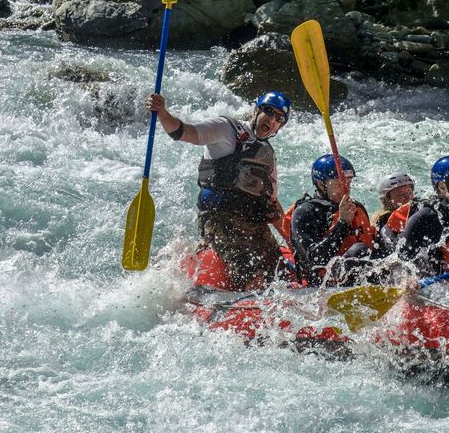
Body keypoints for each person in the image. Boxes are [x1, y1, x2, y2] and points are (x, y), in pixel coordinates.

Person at [147, 91, 290, 291]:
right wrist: (162, 112)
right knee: (251, 276)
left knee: (282, 273)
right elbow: (183, 132)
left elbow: (272, 204)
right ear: (256, 110)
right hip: (219, 219)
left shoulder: (268, 155)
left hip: (251, 222)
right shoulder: (225, 128)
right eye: (268, 111)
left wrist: (293, 244)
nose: (272, 120)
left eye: (279, 118)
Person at [288, 154, 376, 286]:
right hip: (321, 285)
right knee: (358, 250)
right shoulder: (305, 212)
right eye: (339, 184)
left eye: (348, 183)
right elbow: (316, 259)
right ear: (321, 184)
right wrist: (343, 223)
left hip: (357, 276)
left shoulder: (356, 208)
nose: (346, 188)